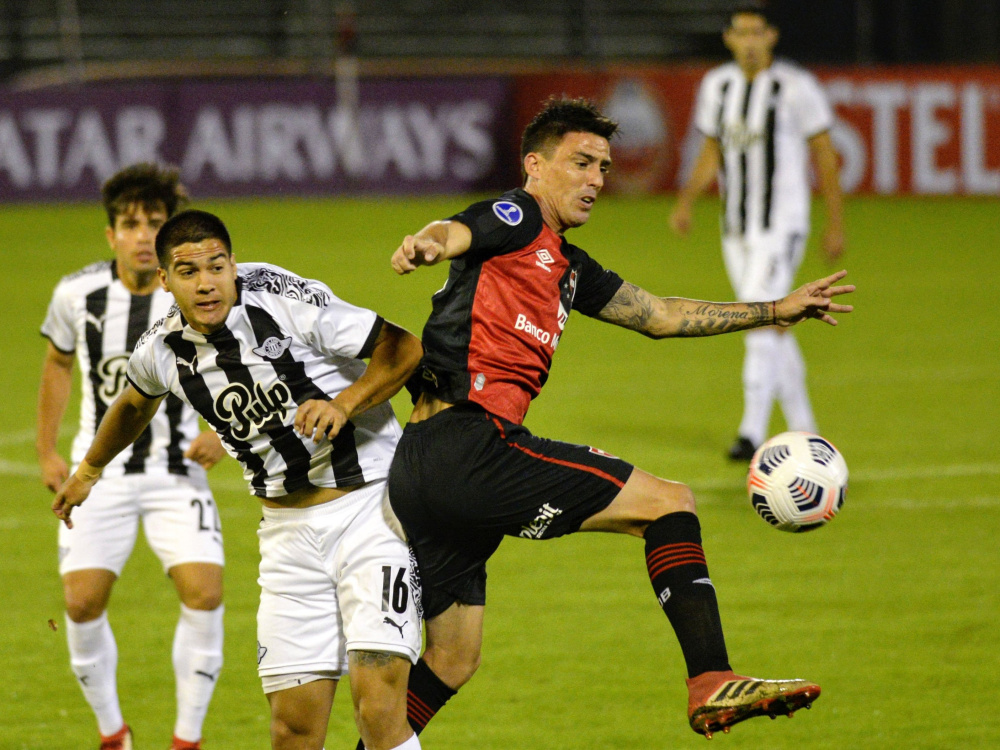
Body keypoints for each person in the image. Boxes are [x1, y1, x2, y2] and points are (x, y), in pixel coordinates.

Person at [381, 97, 853, 741]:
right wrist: (427, 243)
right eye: (581, 163)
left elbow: (658, 315)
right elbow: (458, 229)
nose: (597, 179)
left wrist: (775, 310)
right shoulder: (515, 216)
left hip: (423, 467)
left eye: (602, 166)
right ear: (535, 166)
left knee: (453, 660)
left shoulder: (568, 268)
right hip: (472, 444)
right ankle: (711, 678)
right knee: (669, 503)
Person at [52, 209, 426, 750]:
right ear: (166, 281)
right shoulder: (162, 349)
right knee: (291, 728)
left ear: (233, 264)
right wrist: (89, 470)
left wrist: (344, 404)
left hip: (372, 513)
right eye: (187, 271)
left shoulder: (278, 296)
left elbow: (403, 346)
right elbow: (133, 403)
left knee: (379, 705)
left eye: (216, 265)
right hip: (286, 536)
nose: (206, 282)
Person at [37, 164, 227, 750]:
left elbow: (231, 360)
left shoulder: (194, 290)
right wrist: (47, 450)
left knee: (206, 591)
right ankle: (112, 733)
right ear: (110, 235)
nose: (143, 235)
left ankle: (185, 739)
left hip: (175, 470)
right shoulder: (77, 294)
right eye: (130, 224)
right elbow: (59, 364)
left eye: (155, 223)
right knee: (81, 600)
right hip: (103, 473)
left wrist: (218, 430)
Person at [669, 5, 846, 460]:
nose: (749, 41)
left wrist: (834, 221)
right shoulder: (717, 85)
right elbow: (711, 150)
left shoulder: (796, 87)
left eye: (757, 32)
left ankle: (751, 432)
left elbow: (825, 154)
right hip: (736, 228)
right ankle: (807, 429)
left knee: (757, 316)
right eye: (740, 32)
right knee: (774, 320)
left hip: (781, 225)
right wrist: (687, 201)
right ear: (728, 38)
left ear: (772, 36)